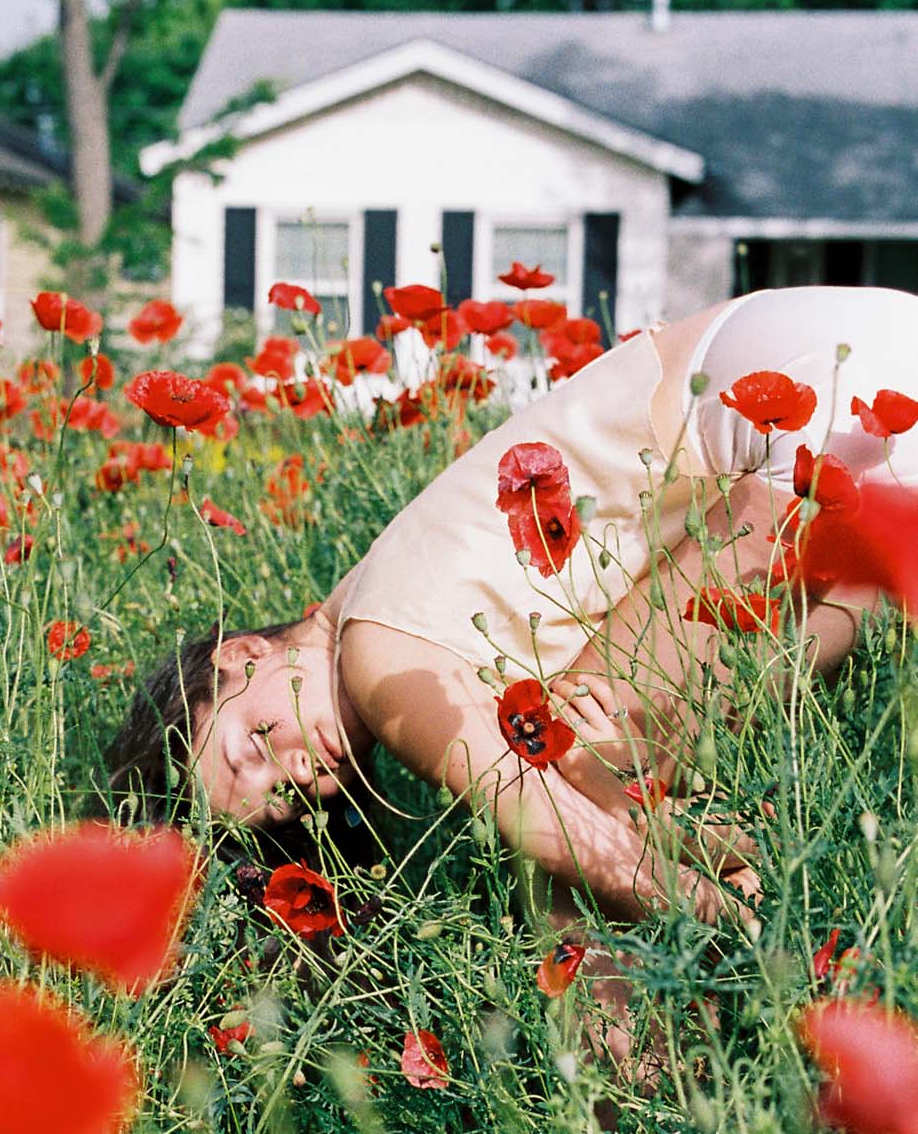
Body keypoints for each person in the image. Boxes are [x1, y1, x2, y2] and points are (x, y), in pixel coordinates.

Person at [107, 285, 918, 932]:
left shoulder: (377, 653)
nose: (300, 770)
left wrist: (715, 916)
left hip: (815, 402)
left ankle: (668, 1060)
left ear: (238, 656)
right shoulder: (377, 594)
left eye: (253, 744)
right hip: (830, 357)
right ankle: (794, 927)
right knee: (595, 773)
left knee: (572, 841)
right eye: (290, 797)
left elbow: (551, 831)